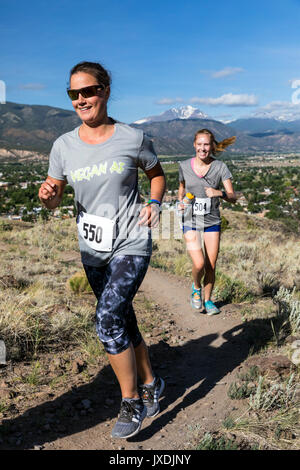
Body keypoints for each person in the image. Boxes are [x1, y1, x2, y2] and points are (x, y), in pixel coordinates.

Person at [38, 61, 166, 439]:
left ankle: (131, 402)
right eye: (73, 94)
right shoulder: (63, 145)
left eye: (88, 91)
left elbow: (156, 175)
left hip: (132, 241)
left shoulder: (133, 137)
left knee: (107, 318)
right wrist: (48, 196)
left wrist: (155, 203)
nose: (81, 99)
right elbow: (54, 196)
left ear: (105, 91)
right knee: (124, 318)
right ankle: (151, 381)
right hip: (93, 247)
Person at [177, 129, 237, 315]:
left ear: (212, 146)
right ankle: (196, 287)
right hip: (190, 219)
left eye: (206, 145)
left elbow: (233, 197)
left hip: (211, 221)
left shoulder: (220, 167)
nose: (203, 148)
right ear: (194, 145)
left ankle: (208, 300)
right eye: (200, 144)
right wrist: (180, 202)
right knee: (199, 263)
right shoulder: (184, 165)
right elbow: (182, 187)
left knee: (211, 264)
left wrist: (218, 193)